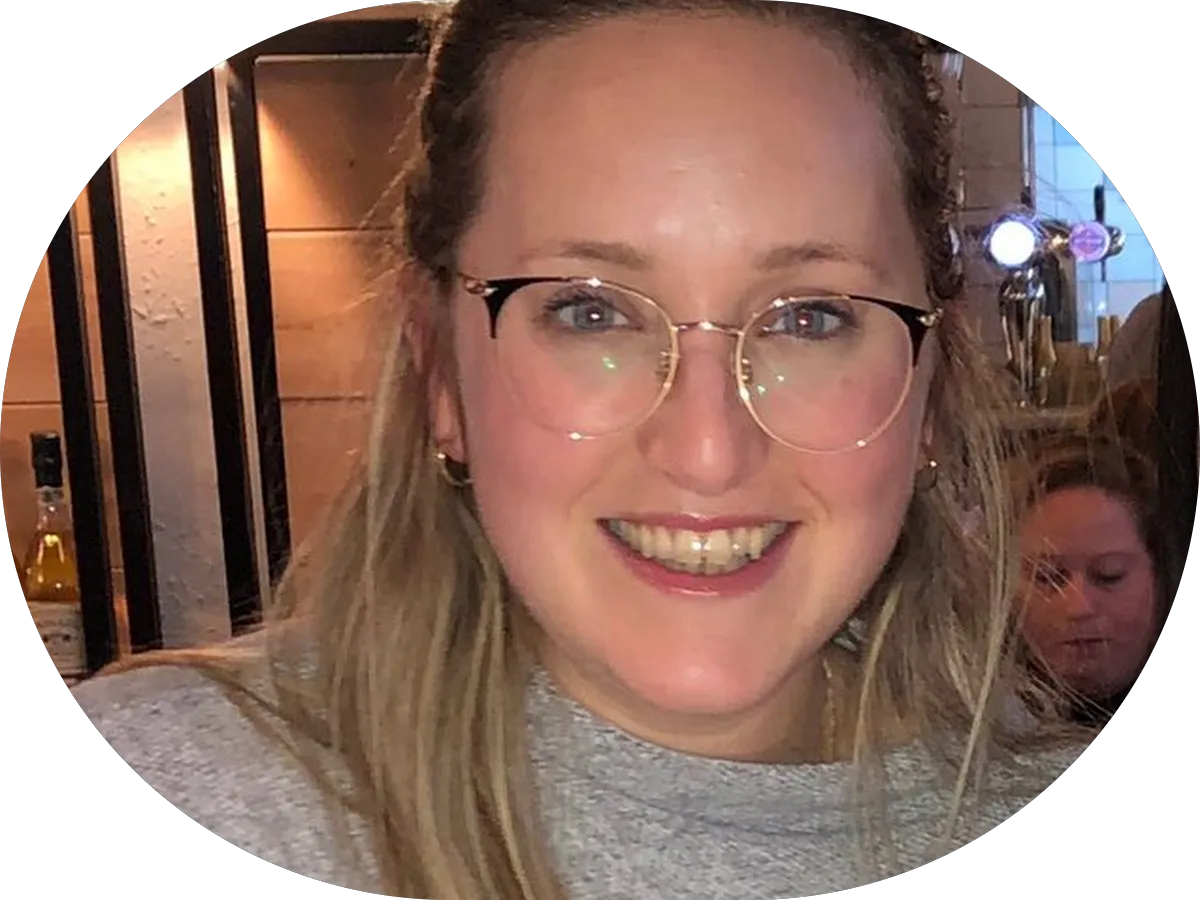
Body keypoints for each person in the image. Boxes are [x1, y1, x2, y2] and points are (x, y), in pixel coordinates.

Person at [68, 3, 1094, 898]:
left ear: (930, 385)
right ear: (439, 373)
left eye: (811, 317)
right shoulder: (186, 777)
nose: (706, 451)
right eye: (591, 311)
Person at [1011, 431, 1164, 723]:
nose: (1079, 606)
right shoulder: (966, 725)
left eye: (1109, 575)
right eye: (1048, 577)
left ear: (1160, 573)